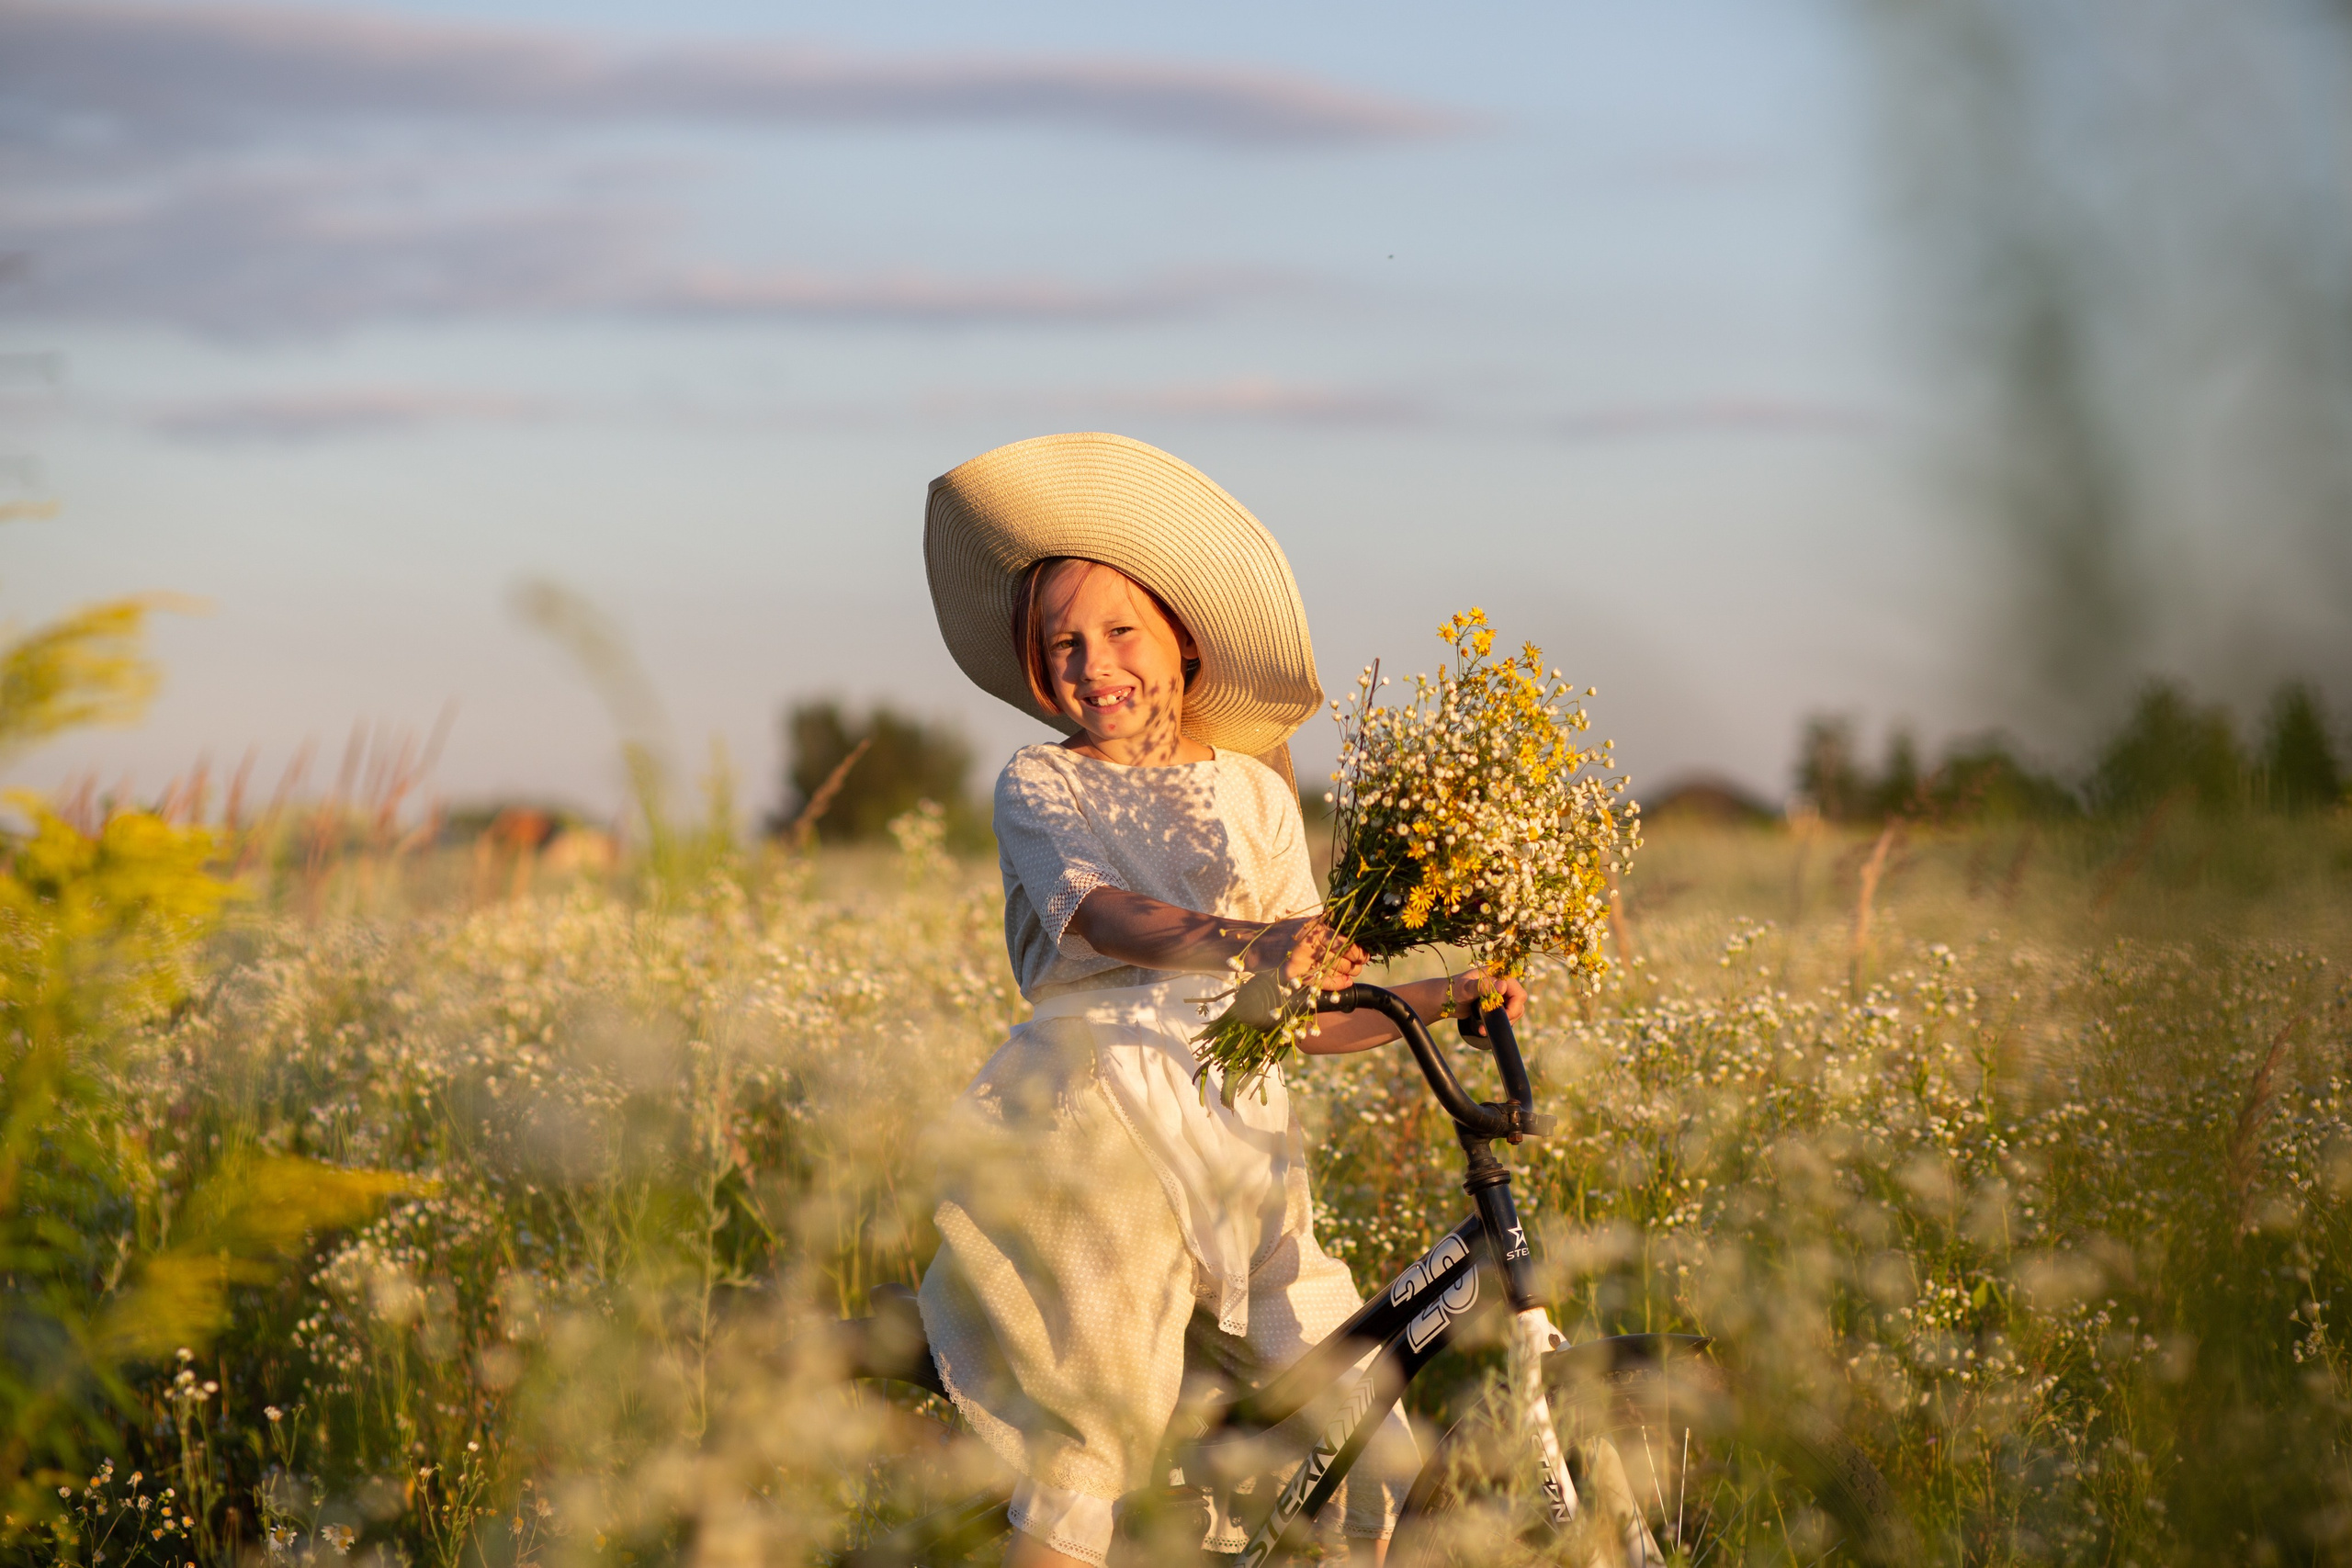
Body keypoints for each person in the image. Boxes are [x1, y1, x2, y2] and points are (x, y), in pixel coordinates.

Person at [915, 433, 1527, 1567]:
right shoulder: (1040, 780)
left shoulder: (1249, 791)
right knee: (1089, 1457)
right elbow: (1099, 917)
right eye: (1063, 642)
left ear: (1181, 642)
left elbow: (1294, 1018)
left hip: (1240, 1148)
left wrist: (1438, 996)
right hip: (1093, 1130)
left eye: (1119, 632)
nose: (1095, 664)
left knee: (1360, 1420)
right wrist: (1253, 938)